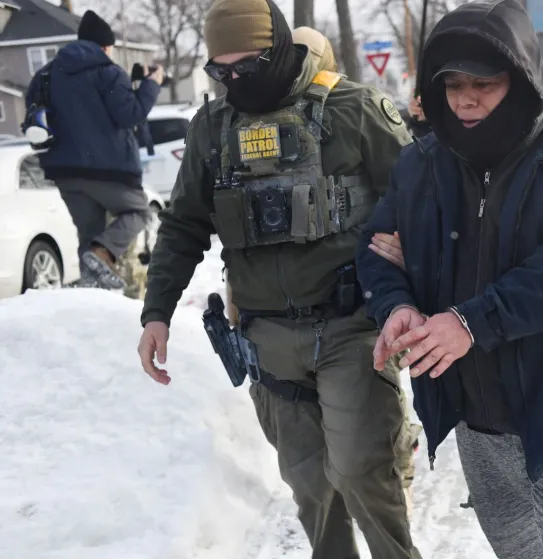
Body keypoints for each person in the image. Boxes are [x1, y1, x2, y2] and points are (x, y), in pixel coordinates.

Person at [136, 1, 421, 558]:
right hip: (267, 340)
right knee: (312, 489)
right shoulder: (212, 130)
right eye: (221, 73)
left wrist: (415, 283)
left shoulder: (355, 110)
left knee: (364, 473)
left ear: (283, 49)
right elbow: (183, 225)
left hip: (351, 328)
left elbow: (423, 203)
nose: (234, 82)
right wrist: (156, 311)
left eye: (247, 68)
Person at [357, 1, 543, 558]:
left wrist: (469, 320)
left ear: (524, 77)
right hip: (480, 421)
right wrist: (397, 307)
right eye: (453, 83)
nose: (465, 98)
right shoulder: (422, 165)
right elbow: (379, 254)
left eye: (483, 82)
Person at [25, 10, 163, 291]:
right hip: (108, 170)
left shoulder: (45, 76)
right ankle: (102, 254)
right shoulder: (108, 73)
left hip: (64, 173)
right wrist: (151, 85)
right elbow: (130, 114)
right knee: (138, 212)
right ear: (105, 46)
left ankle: (94, 295)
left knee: (89, 235)